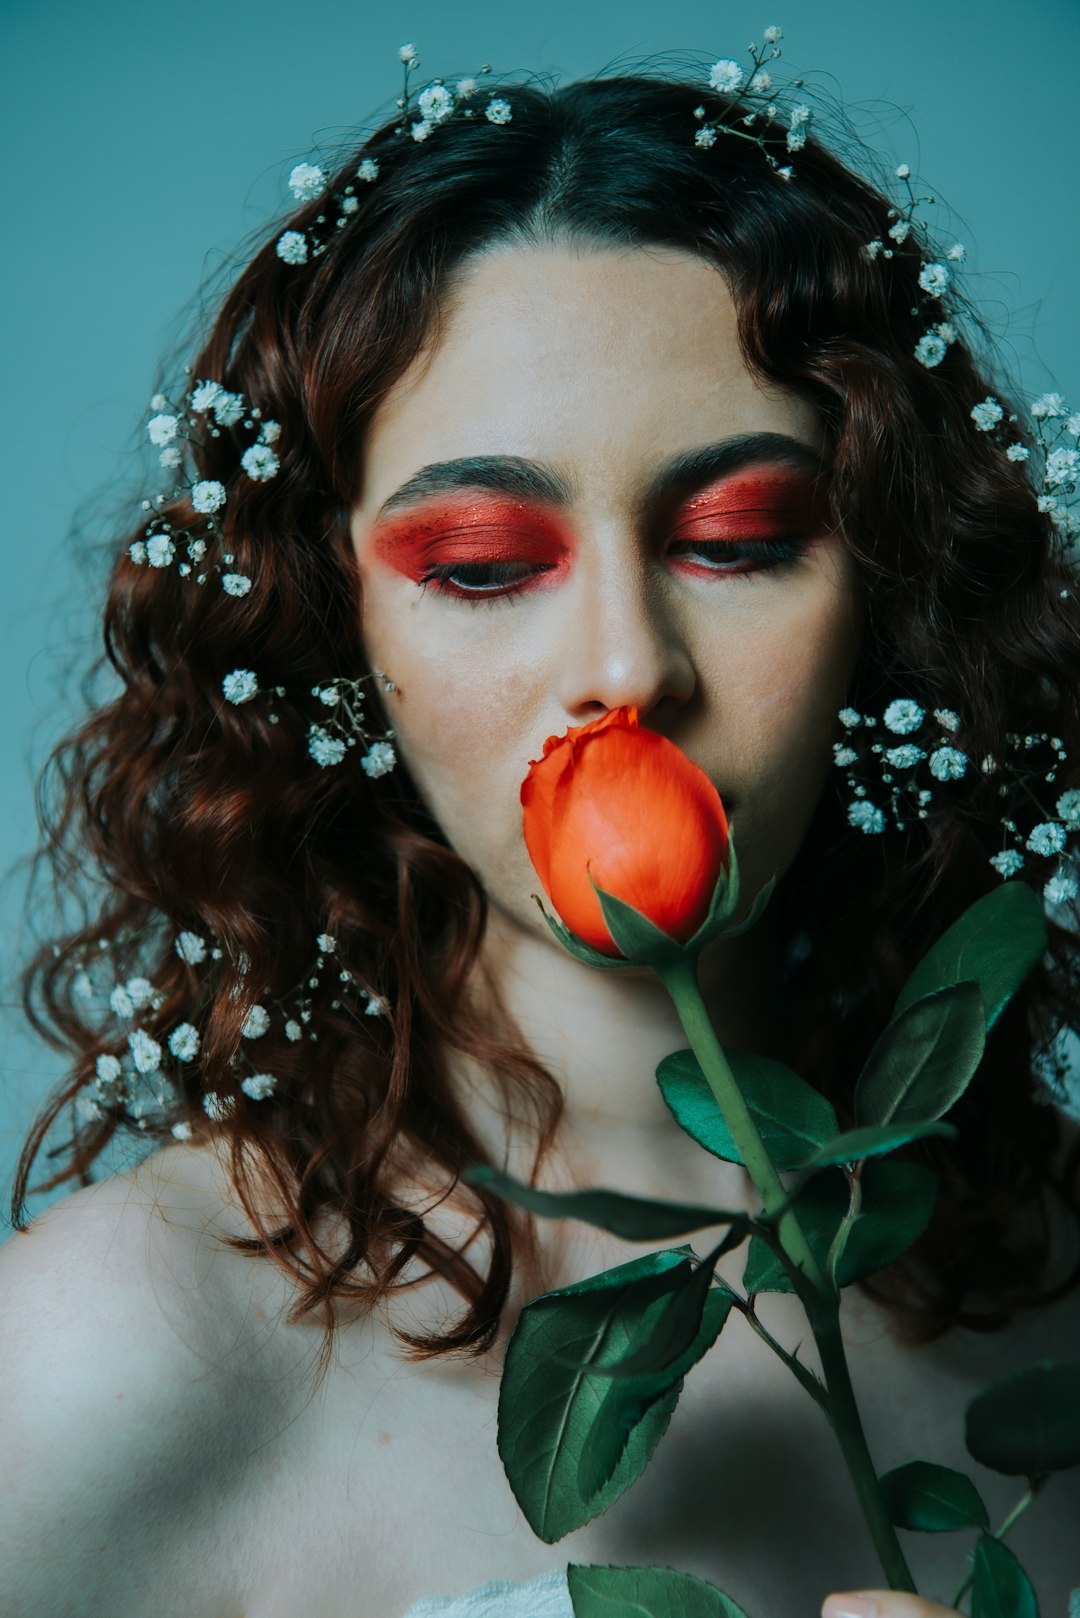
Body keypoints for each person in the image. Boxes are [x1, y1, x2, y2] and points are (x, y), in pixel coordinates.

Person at [2, 43, 1079, 1618]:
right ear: (333, 629)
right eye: (490, 563)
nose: (627, 666)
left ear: (890, 595)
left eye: (737, 539)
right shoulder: (119, 1355)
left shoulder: (1056, 1291)